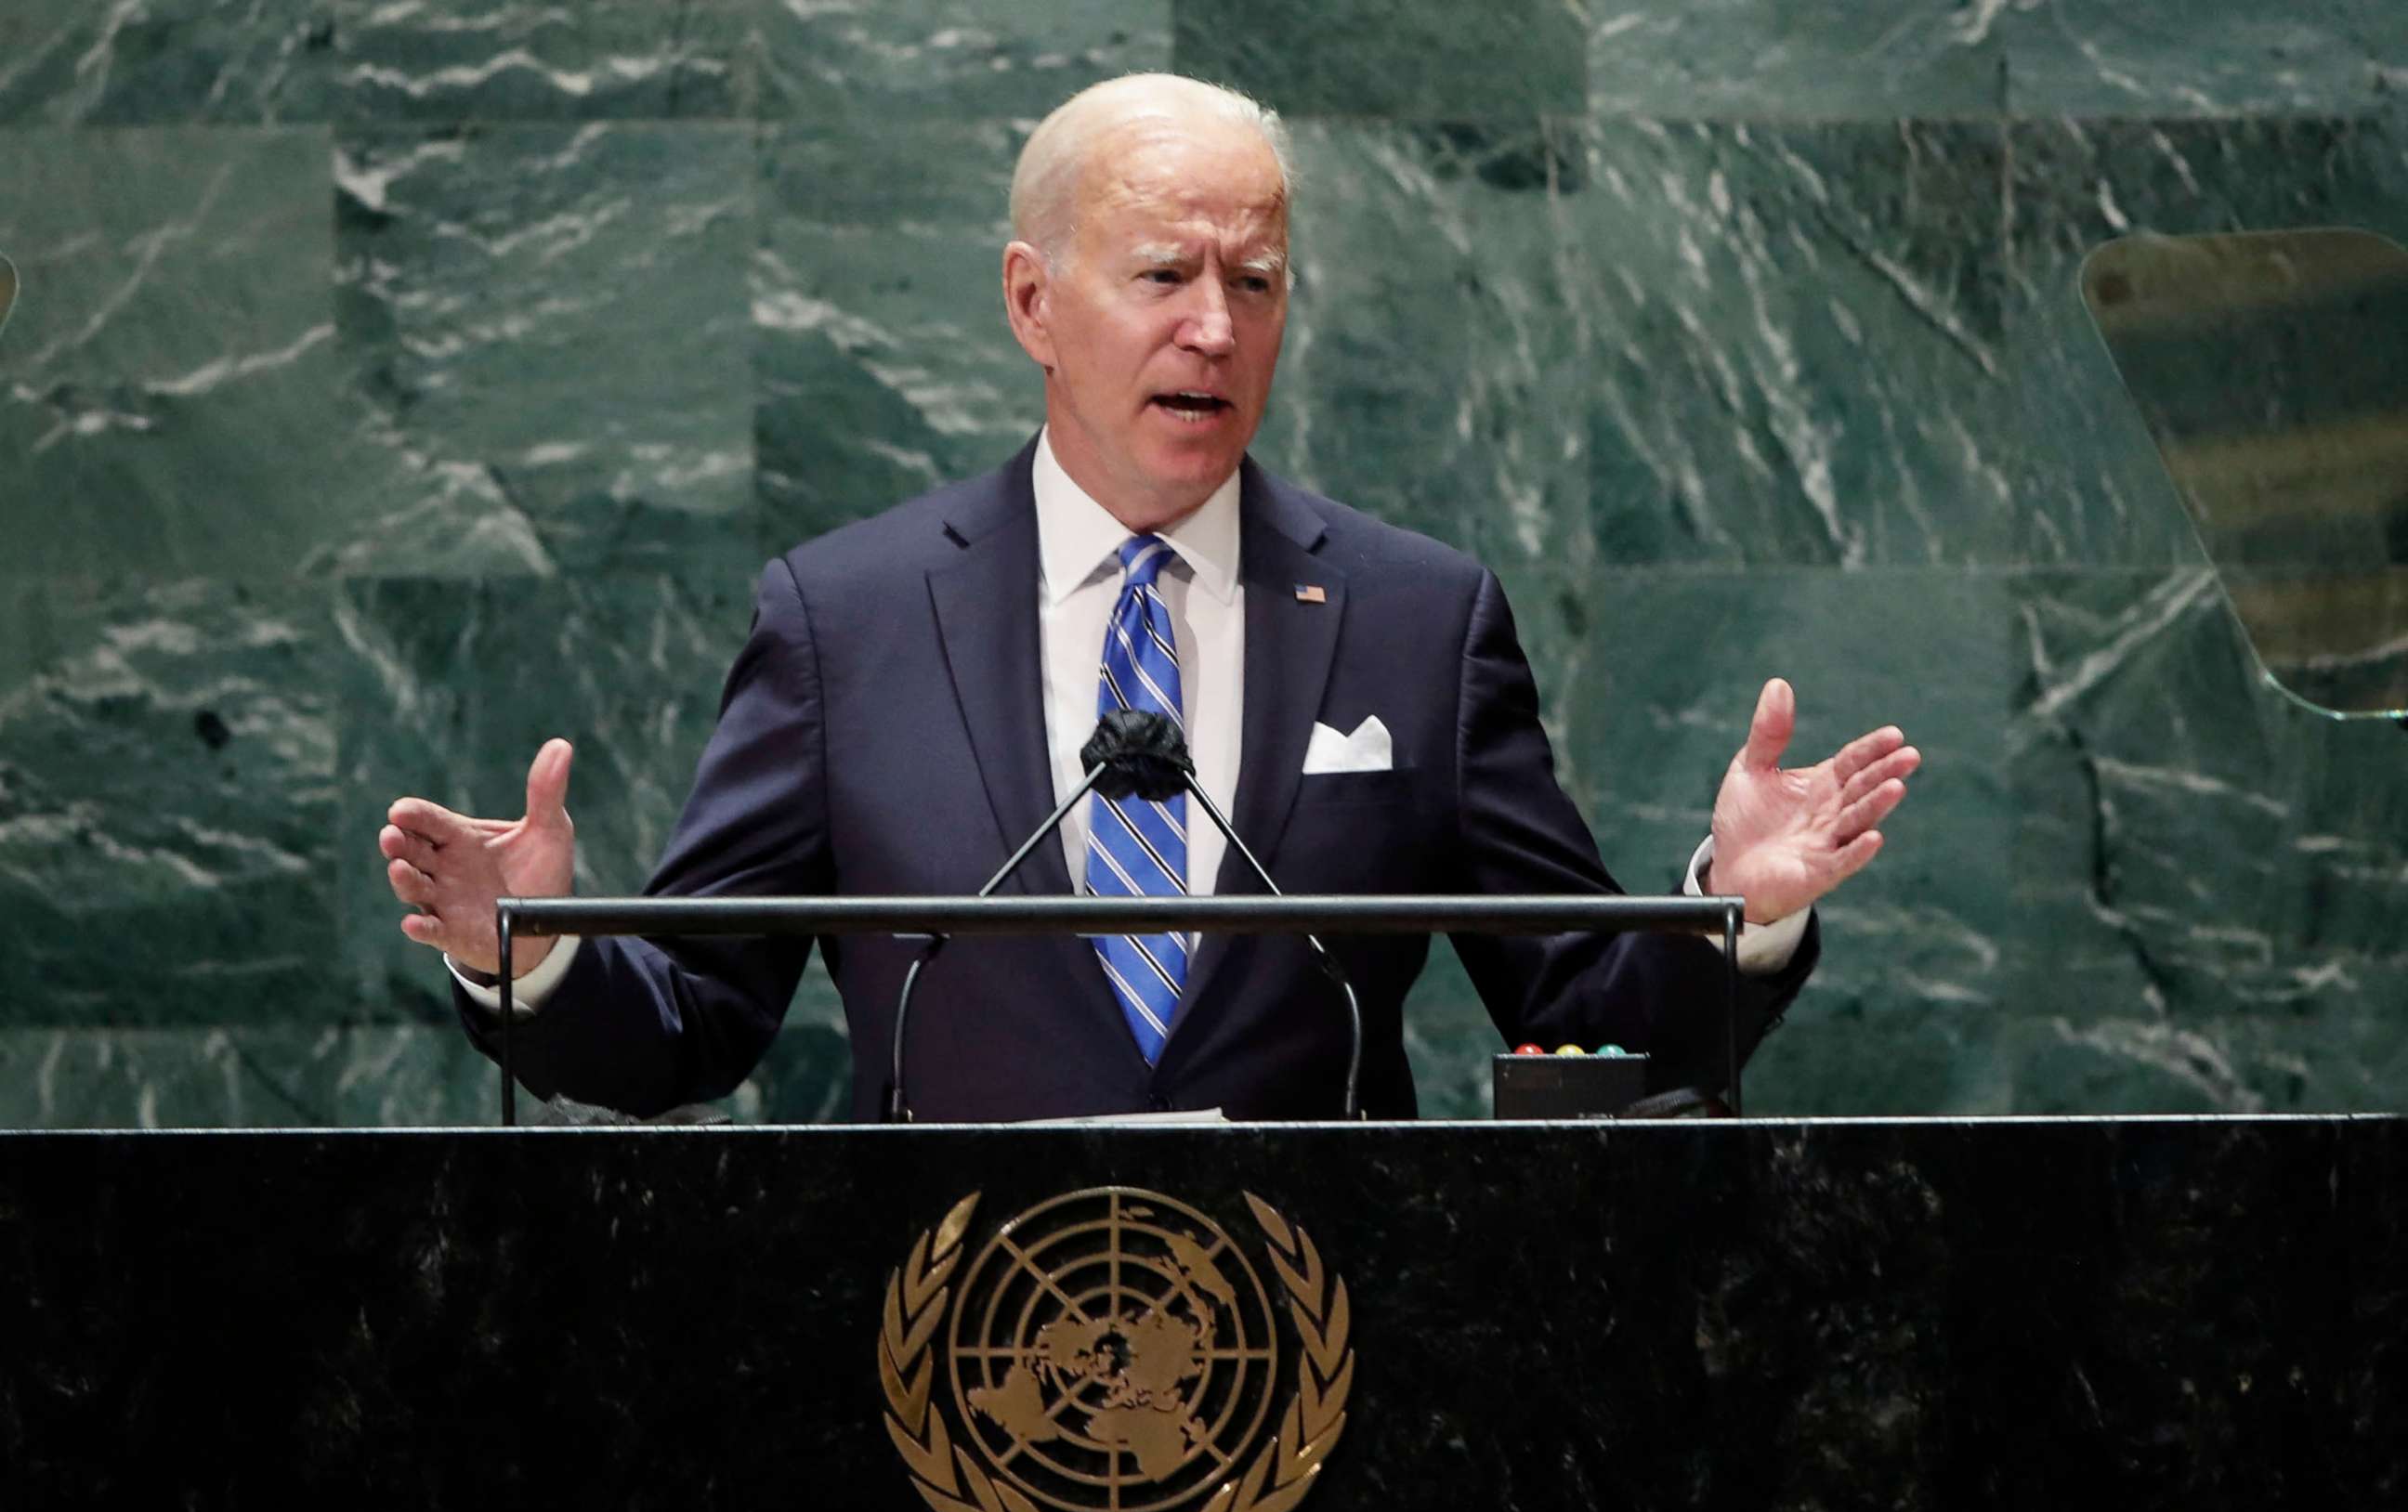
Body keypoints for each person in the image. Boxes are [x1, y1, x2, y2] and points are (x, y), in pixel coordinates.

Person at [377, 74, 1918, 1122]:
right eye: (1162, 275)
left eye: (1255, 283)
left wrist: (1733, 909)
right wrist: (536, 950)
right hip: (942, 1365)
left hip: (1320, 1370)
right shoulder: (845, 620)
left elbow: (1584, 1007)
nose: (1214, 327)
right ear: (1034, 303)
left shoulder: (1414, 618)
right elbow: (697, 1015)